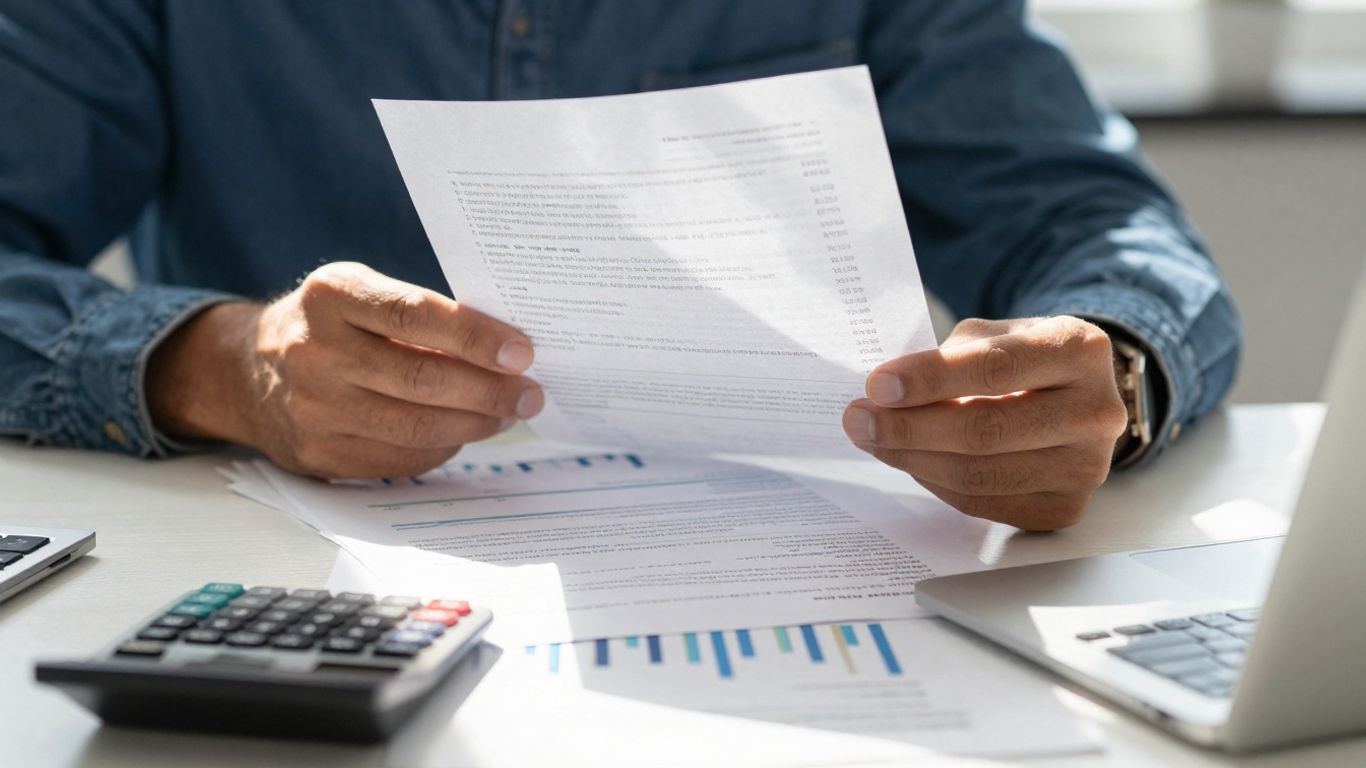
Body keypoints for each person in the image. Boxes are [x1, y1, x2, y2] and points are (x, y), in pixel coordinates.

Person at [0, 1, 1240, 531]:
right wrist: (222, 368)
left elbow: (1100, 226)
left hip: (802, 596)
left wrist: (1109, 368)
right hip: (290, 591)